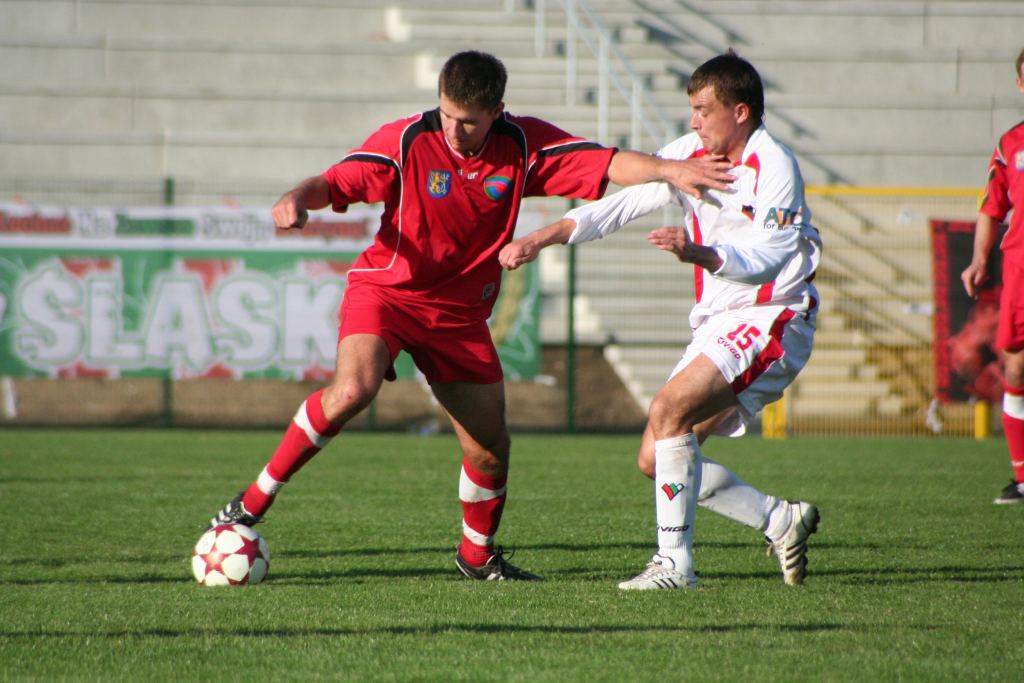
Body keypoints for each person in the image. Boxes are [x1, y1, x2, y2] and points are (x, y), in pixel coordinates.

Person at [206, 50, 734, 581]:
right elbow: (335, 182)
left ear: (497, 111)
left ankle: (477, 555)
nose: (454, 130)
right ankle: (249, 505)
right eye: (447, 115)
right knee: (352, 391)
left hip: (458, 318)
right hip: (388, 293)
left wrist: (668, 168)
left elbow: (609, 162)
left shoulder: (523, 145)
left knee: (489, 448)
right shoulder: (407, 140)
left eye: (469, 122)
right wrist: (297, 196)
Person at [499, 51, 822, 589]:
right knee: (657, 456)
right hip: (720, 321)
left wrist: (701, 254)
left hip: (774, 315)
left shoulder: (776, 166)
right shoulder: (691, 153)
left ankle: (675, 565)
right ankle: (777, 519)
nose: (694, 121)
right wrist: (543, 236)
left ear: (740, 112)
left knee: (667, 408)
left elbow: (771, 255)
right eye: (692, 110)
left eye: (703, 109)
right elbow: (621, 205)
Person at [961, 47, 1024, 505]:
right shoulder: (1010, 145)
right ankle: (1023, 478)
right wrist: (980, 259)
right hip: (1021, 268)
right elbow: (992, 208)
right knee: (1017, 365)